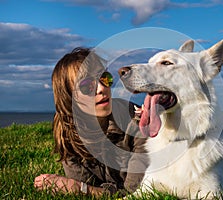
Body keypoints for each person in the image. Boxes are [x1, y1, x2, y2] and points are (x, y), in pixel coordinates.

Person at [34, 47, 148, 197]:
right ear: (69, 97)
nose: (102, 88)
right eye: (87, 86)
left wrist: (80, 188)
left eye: (105, 78)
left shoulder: (137, 120)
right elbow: (86, 185)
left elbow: (135, 193)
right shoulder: (67, 132)